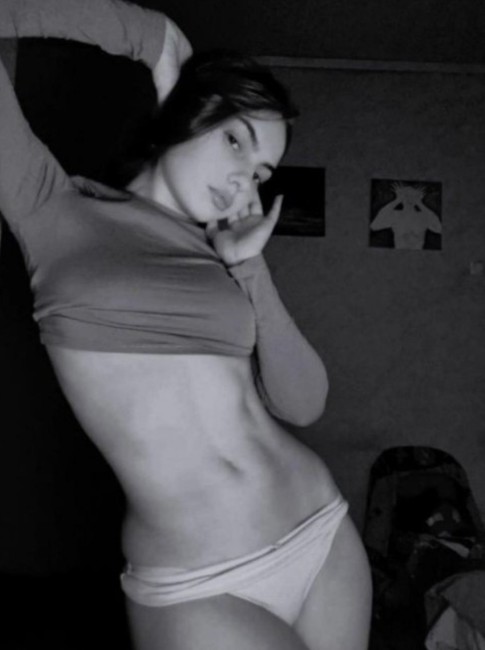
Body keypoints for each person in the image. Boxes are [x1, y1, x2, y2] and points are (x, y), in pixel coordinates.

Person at [0, 1, 372, 648]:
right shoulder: (52, 210)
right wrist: (150, 34)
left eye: (259, 172)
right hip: (198, 580)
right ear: (186, 112)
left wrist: (248, 267)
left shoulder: (224, 255)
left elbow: (303, 403)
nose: (242, 180)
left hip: (319, 527)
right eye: (235, 141)